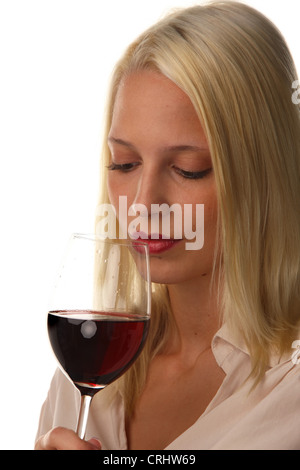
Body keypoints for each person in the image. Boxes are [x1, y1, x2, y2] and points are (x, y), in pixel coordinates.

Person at [35, 0, 300, 450]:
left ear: (266, 176)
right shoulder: (85, 376)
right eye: (125, 163)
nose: (142, 204)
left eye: (189, 169)